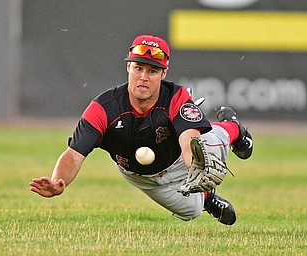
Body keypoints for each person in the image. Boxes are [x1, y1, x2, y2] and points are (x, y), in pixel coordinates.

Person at [30, 34, 253, 225]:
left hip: (177, 160)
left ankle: (233, 128)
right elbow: (74, 154)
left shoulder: (176, 96)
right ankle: (206, 198)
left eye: (153, 71)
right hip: (140, 176)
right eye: (138, 68)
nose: (144, 77)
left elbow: (189, 141)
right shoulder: (103, 108)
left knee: (206, 145)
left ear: (163, 73)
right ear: (128, 67)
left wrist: (195, 165)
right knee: (192, 212)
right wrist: (58, 182)